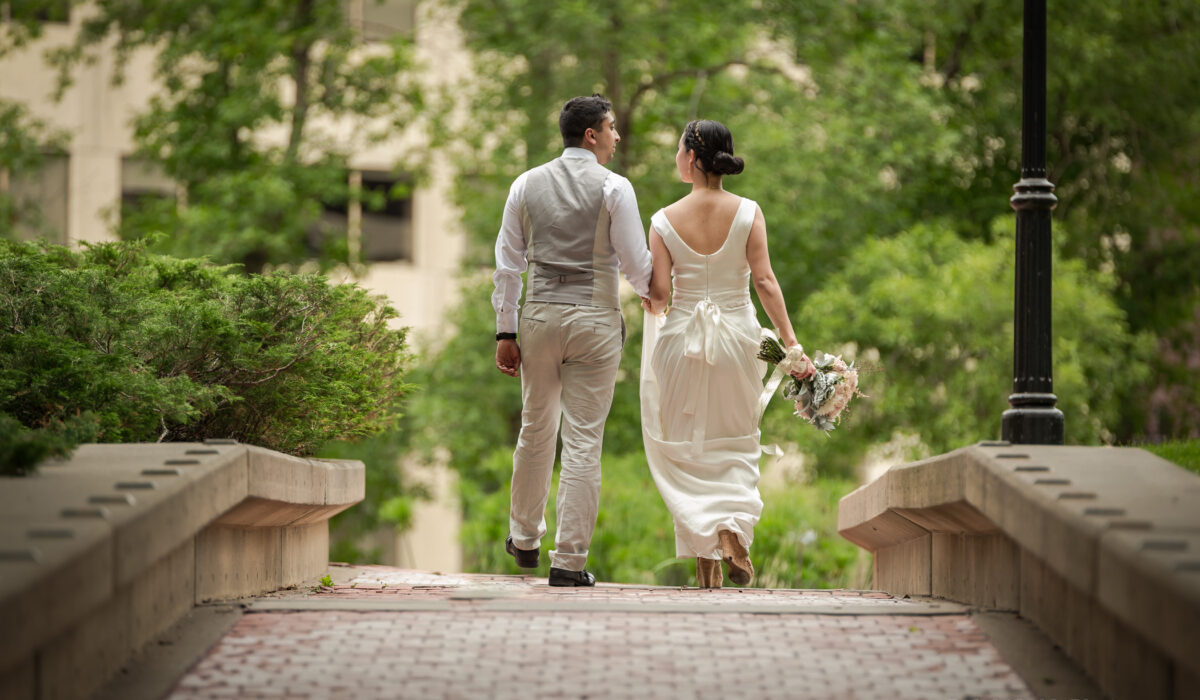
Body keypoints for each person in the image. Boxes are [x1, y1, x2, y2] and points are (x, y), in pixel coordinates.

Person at [492, 94, 653, 587]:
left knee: (535, 429)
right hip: (595, 321)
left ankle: (523, 539)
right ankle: (569, 562)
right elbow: (634, 262)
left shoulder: (525, 183)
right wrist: (655, 295)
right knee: (583, 440)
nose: (616, 136)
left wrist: (505, 330)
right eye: (611, 128)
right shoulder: (615, 188)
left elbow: (507, 263)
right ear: (591, 134)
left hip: (538, 318)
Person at [640, 119, 804, 588]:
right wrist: (790, 345)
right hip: (737, 338)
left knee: (689, 448)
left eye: (677, 151)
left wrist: (645, 297)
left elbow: (658, 296)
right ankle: (729, 536)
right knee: (735, 442)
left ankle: (708, 559)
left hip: (681, 342)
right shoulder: (749, 211)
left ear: (692, 158)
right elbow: (765, 282)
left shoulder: (663, 220)